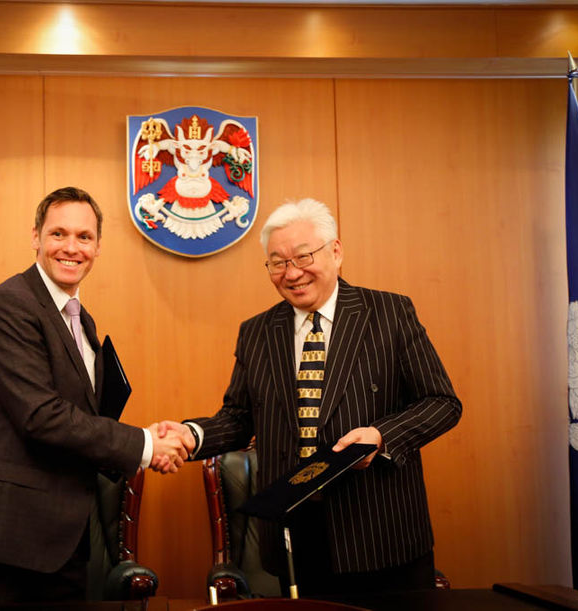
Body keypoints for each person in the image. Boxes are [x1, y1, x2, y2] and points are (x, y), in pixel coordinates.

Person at [160, 198, 461, 596]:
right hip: (297, 535)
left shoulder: (389, 312)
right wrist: (190, 435)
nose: (292, 273)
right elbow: (238, 418)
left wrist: (381, 436)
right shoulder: (257, 332)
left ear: (335, 252)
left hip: (381, 529)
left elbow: (441, 402)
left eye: (303, 257)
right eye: (277, 263)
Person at [0, 186, 190, 604]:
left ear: (98, 247)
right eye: (59, 234)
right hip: (4, 545)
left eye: (84, 237)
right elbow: (41, 416)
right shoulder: (10, 304)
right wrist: (146, 445)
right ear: (36, 237)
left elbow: (82, 418)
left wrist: (147, 441)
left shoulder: (80, 319)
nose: (72, 248)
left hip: (62, 541)